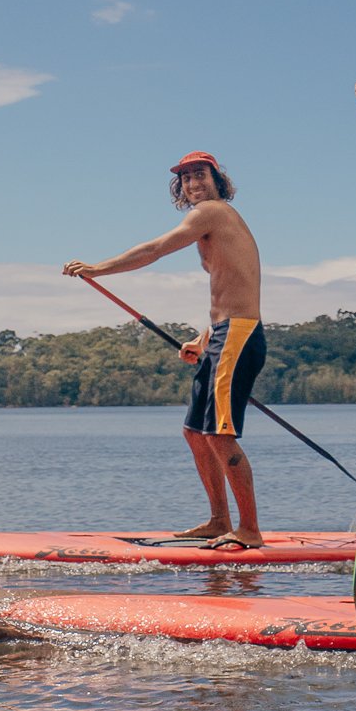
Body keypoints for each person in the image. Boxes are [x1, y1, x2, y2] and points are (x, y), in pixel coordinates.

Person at [64, 151, 267, 550]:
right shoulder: (211, 221)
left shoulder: (212, 211)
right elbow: (232, 287)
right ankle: (218, 520)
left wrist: (97, 268)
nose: (194, 183)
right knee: (195, 432)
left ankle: (250, 530)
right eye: (187, 178)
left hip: (240, 336)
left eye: (201, 175)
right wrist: (204, 337)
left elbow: (154, 249)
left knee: (220, 436)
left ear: (217, 181)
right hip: (223, 334)